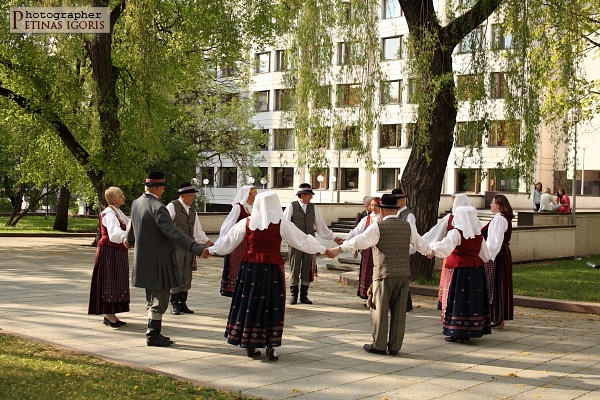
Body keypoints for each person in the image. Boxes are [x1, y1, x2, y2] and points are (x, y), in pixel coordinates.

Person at [201, 192, 327, 361]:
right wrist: (323, 249)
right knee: (271, 304)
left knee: (250, 304)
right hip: (271, 270)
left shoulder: (247, 223)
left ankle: (250, 343)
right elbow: (302, 240)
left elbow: (227, 242)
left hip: (250, 270)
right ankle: (271, 345)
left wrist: (210, 250)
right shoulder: (281, 224)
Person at [325, 194, 433, 356]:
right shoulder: (407, 227)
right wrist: (430, 252)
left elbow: (358, 241)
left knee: (380, 310)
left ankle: (380, 345)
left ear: (381, 210)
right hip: (403, 274)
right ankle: (395, 346)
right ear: (396, 210)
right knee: (399, 311)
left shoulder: (377, 227)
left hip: (384, 273)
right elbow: (421, 244)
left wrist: (336, 250)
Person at [126, 171, 206, 347]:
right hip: (159, 260)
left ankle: (153, 331)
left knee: (151, 298)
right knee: (160, 299)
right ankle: (153, 335)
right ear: (157, 187)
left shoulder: (136, 203)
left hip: (143, 259)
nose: (163, 191)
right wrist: (197, 248)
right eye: (162, 187)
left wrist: (130, 241)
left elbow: (130, 234)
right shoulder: (157, 207)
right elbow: (175, 233)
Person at [431, 205, 492, 343]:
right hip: (475, 271)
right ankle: (471, 329)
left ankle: (457, 331)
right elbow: (485, 255)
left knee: (457, 298)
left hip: (459, 271)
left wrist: (432, 250)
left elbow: (445, 246)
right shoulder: (478, 235)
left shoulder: (456, 233)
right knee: (472, 298)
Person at [283, 183, 344, 305]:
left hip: (310, 243)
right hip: (295, 242)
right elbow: (285, 225)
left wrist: (334, 237)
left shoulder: (313, 208)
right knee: (295, 267)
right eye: (309, 194)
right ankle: (294, 295)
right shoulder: (291, 206)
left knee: (307, 267)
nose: (311, 197)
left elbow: (321, 226)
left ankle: (304, 295)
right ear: (302, 195)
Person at [166, 182, 214, 315]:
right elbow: (164, 225)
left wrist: (208, 242)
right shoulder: (172, 206)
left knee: (186, 275)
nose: (192, 198)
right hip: (175, 247)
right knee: (177, 274)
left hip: (189, 248)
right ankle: (174, 303)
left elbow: (197, 231)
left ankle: (182, 302)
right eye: (191, 195)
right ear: (183, 195)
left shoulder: (192, 211)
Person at [422, 194, 474, 310]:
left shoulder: (467, 224)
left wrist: (431, 249)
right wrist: (426, 246)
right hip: (454, 254)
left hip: (454, 257)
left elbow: (438, 235)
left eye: (453, 202)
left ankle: (452, 305)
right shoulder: (454, 219)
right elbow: (435, 234)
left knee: (454, 282)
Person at [88, 186, 130, 328]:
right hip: (109, 251)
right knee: (110, 281)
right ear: (113, 199)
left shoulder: (117, 211)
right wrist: (125, 238)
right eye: (121, 195)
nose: (123, 197)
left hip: (117, 251)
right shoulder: (109, 213)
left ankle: (112, 313)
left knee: (117, 281)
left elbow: (129, 225)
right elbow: (114, 233)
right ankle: (108, 315)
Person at [482, 195, 514, 329]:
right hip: (501, 253)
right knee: (499, 283)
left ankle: (497, 318)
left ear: (499, 205)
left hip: (497, 254)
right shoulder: (500, 218)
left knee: (496, 283)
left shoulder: (500, 219)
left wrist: (488, 256)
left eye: (493, 203)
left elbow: (495, 240)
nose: (490, 205)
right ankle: (497, 317)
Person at [219, 186, 257, 297]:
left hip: (248, 244)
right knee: (236, 267)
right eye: (254, 193)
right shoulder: (238, 208)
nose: (255, 196)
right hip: (237, 244)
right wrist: (224, 241)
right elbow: (227, 225)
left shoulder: (253, 208)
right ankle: (234, 289)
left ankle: (245, 289)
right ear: (248, 195)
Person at [345, 197, 381, 302]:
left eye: (376, 205)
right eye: (372, 205)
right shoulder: (367, 218)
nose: (374, 207)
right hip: (368, 250)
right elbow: (356, 232)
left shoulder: (382, 218)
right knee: (368, 272)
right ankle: (367, 295)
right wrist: (346, 241)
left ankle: (377, 296)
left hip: (380, 249)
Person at [392, 188, 416, 311]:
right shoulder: (395, 214)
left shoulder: (408, 215)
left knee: (402, 277)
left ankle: (406, 303)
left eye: (399, 199)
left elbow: (412, 234)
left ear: (403, 200)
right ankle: (401, 302)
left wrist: (408, 251)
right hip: (395, 250)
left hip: (403, 251)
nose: (397, 201)